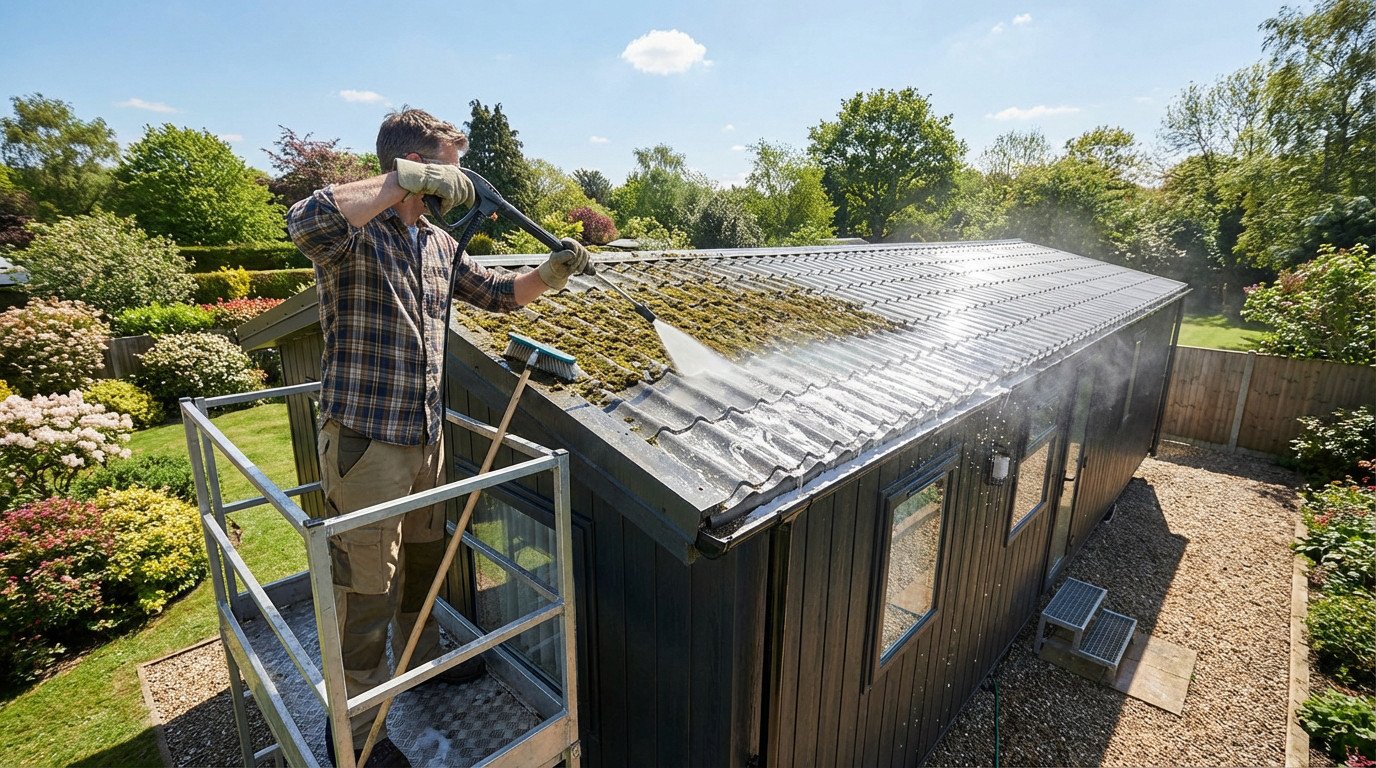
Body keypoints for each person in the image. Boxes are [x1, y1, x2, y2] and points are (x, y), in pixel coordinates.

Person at [287, 107, 589, 767]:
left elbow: (500, 294)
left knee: (423, 569)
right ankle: (361, 740)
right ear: (415, 166)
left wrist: (554, 271)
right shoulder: (353, 237)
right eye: (449, 169)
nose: (461, 182)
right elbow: (306, 220)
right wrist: (404, 180)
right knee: (366, 591)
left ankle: (419, 666)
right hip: (367, 444)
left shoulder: (439, 243)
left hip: (426, 439)